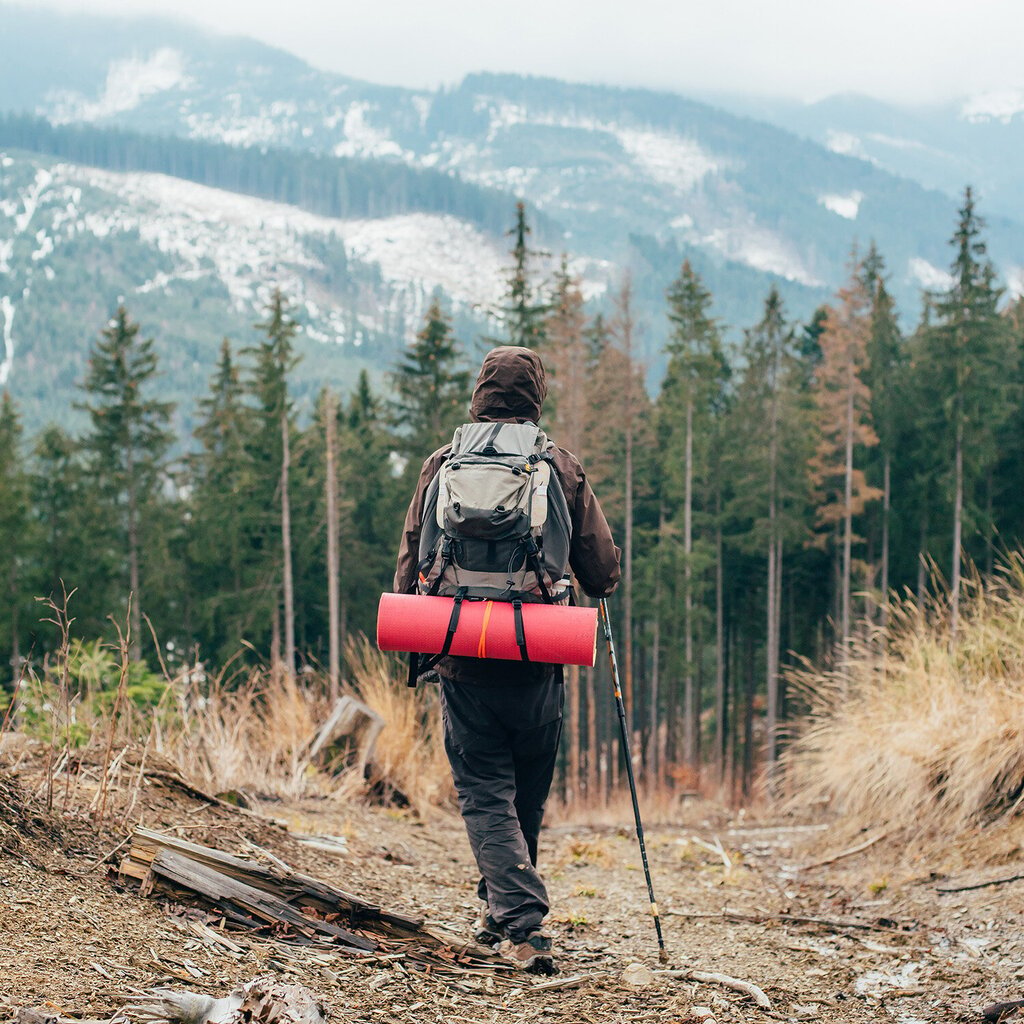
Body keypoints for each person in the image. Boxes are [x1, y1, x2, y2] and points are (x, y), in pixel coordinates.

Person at [394, 345, 620, 974]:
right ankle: (516, 917)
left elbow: (411, 559)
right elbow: (601, 571)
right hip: (538, 651)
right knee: (524, 788)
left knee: (484, 788)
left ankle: (510, 919)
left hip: (462, 651)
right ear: (535, 398)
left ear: (480, 394)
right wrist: (597, 583)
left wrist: (420, 631)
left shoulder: (443, 463)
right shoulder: (558, 466)